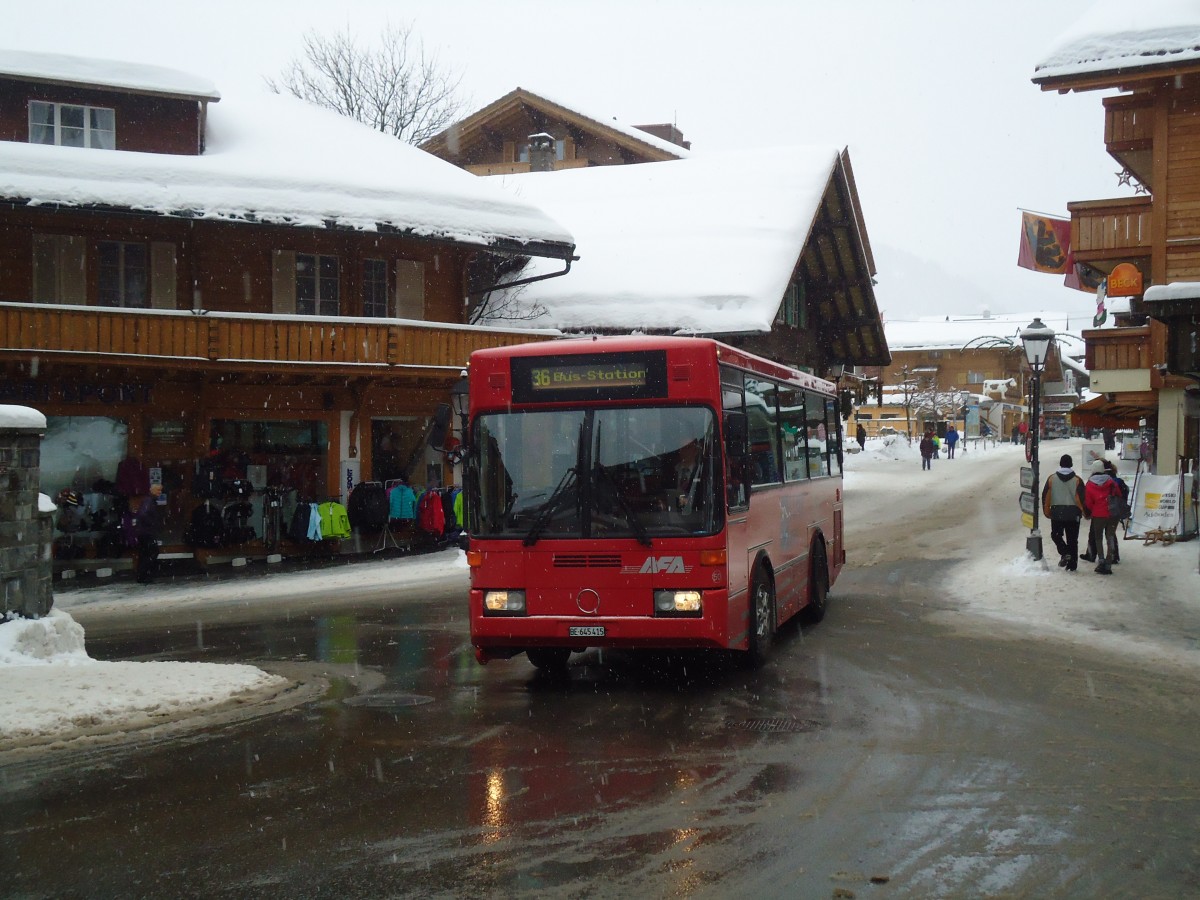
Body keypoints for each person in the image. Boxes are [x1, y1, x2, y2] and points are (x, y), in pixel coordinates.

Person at [1041, 454, 1087, 571]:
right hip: (1073, 514)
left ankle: (1065, 552)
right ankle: (1072, 565)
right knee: (1072, 540)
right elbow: (1082, 498)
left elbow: (1046, 496)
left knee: (1056, 535)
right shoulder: (1077, 480)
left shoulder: (1052, 479)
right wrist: (1085, 512)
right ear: (1071, 464)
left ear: (1060, 464)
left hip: (1057, 513)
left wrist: (1047, 512)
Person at [1083, 459, 1122, 575]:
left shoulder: (1089, 484)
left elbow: (1089, 502)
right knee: (1110, 536)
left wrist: (1093, 509)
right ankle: (1109, 561)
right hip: (1112, 513)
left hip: (1098, 514)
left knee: (1098, 537)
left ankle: (1101, 560)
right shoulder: (1111, 481)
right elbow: (1118, 494)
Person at [133, 484, 163, 584]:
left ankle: (142, 575)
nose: (160, 492)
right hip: (146, 532)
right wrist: (152, 523)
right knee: (151, 552)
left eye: (160, 490)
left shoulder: (149, 500)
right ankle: (144, 575)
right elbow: (143, 514)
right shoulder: (149, 501)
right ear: (152, 490)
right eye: (158, 490)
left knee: (145, 553)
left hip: (144, 532)